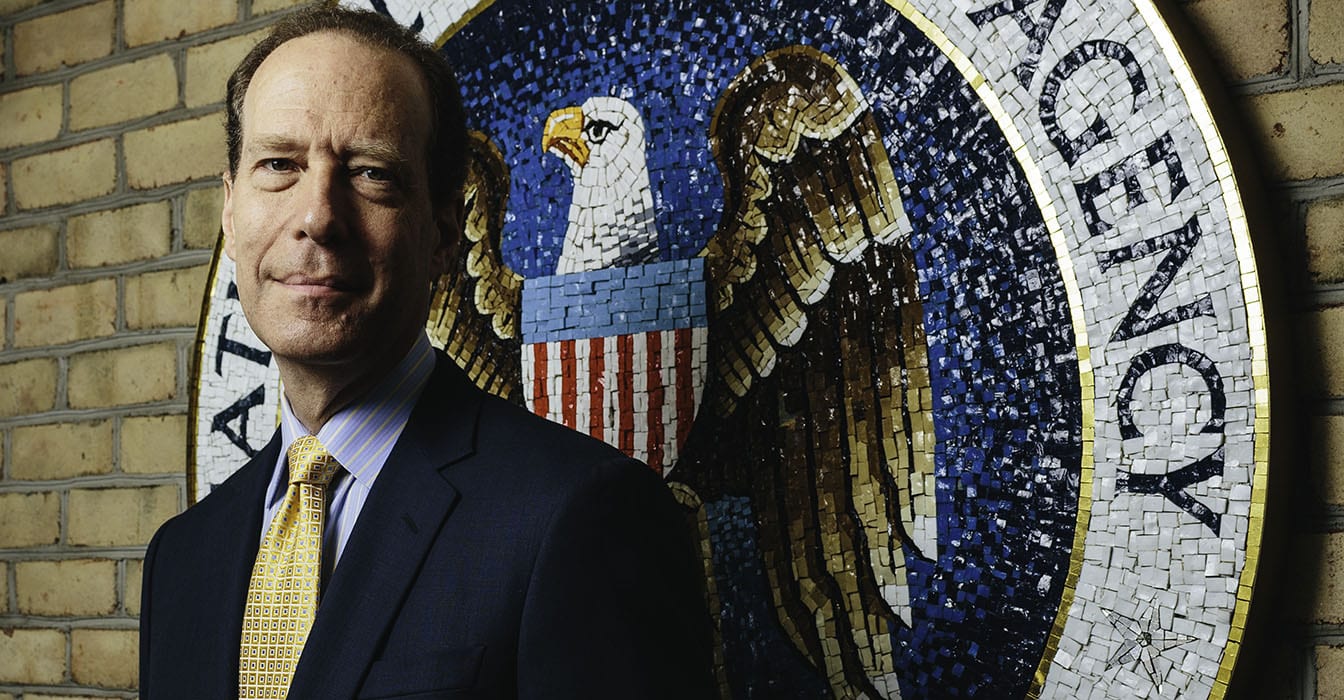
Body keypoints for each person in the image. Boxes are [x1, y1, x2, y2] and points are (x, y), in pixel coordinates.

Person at [138, 6, 714, 698]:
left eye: (371, 173)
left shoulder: (583, 516)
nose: (317, 216)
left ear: (444, 229)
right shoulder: (182, 557)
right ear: (231, 213)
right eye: (279, 164)